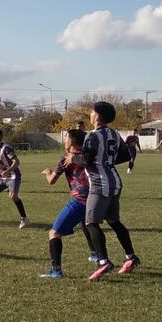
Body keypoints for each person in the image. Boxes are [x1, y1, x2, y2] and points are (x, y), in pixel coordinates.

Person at [81, 101, 140, 280]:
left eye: (92, 112)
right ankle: (131, 257)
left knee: (90, 223)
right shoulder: (115, 133)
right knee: (114, 220)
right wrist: (107, 161)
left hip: (100, 184)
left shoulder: (91, 136)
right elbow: (124, 155)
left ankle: (103, 261)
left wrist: (71, 159)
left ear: (97, 116)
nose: (90, 115)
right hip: (115, 181)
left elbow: (87, 161)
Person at [39, 129, 96, 278]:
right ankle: (97, 255)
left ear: (70, 142)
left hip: (80, 201)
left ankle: (56, 271)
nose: (64, 141)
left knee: (54, 233)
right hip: (95, 199)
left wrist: (48, 171)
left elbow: (52, 180)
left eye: (66, 139)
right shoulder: (88, 156)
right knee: (88, 226)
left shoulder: (66, 158)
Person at [0, 128, 29, 228]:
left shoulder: (6, 148)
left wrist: (6, 171)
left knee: (13, 196)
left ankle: (24, 219)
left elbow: (16, 162)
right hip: (1, 177)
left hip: (13, 176)